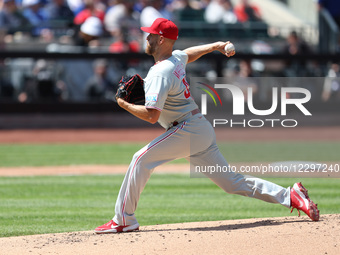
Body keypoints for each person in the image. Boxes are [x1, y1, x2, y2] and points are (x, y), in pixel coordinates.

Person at [94, 18, 319, 234]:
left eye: (151, 34)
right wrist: (215, 45)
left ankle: (123, 219)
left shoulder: (160, 72)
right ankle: (291, 195)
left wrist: (124, 104)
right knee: (232, 183)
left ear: (161, 40)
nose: (147, 37)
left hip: (186, 129)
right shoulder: (175, 60)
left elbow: (152, 116)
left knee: (140, 159)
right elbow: (189, 53)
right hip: (197, 128)